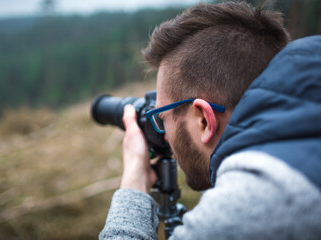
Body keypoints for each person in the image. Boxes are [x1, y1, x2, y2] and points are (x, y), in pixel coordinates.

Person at [99, 1, 321, 239]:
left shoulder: (245, 208)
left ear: (204, 119)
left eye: (161, 117)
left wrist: (134, 182)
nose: (163, 132)